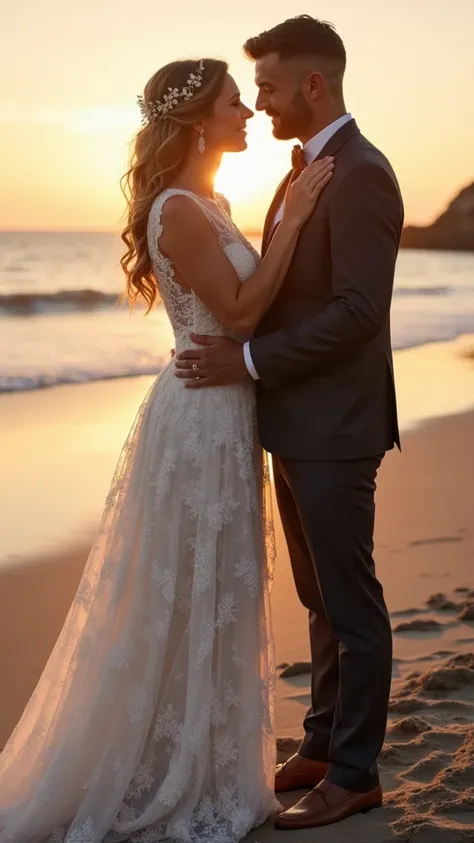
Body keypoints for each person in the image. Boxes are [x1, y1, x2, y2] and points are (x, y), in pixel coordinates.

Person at [0, 57, 333, 843]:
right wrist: (292, 223)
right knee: (188, 588)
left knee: (216, 585)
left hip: (223, 410)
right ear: (196, 123)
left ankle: (211, 757)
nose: (247, 111)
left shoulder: (211, 200)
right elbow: (244, 313)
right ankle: (171, 769)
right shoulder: (182, 208)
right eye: (231, 102)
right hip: (198, 417)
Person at [175, 16, 404, 830]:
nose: (261, 102)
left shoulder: (362, 174)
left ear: (315, 85)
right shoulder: (303, 171)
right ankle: (319, 741)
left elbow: (356, 313)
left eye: (268, 87)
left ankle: (354, 772)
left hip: (338, 426)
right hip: (294, 423)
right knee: (319, 597)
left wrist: (244, 364)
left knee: (351, 600)